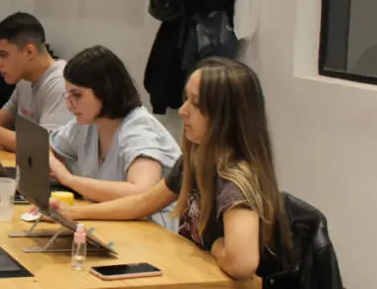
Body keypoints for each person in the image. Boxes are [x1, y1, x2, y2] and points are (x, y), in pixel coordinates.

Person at [45, 57, 292, 281]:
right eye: (186, 99)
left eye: (195, 104)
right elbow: (142, 203)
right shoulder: (196, 160)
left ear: (224, 116)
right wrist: (75, 214)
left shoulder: (234, 180)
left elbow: (242, 264)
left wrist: (216, 245)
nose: (183, 111)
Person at [46, 45, 181, 230]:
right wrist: (56, 168)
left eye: (77, 95)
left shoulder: (139, 129)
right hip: (114, 223)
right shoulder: (88, 122)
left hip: (154, 233)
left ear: (105, 91)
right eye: (67, 95)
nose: (69, 105)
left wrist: (69, 179)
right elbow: (46, 148)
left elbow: (141, 192)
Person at [0, 12, 70, 151]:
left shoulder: (61, 84)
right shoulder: (24, 79)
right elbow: (0, 119)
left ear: (29, 52)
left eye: (3, 55)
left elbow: (44, 146)